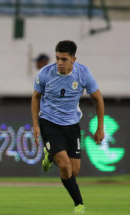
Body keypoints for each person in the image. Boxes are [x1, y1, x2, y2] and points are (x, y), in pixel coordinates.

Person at [31, 40, 104, 214]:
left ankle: (50, 156)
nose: (59, 63)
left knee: (74, 170)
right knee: (64, 165)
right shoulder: (45, 73)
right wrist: (35, 125)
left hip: (72, 125)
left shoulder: (83, 73)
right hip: (49, 122)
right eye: (57, 58)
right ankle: (79, 204)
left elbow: (98, 99)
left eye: (64, 59)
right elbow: (35, 98)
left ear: (73, 59)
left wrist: (100, 127)